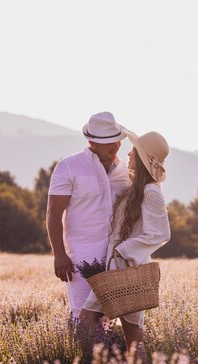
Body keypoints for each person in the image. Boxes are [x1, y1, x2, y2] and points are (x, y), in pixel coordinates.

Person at [79, 130, 171, 352]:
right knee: (119, 327)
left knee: (111, 324)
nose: (129, 153)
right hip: (118, 267)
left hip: (128, 267)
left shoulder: (151, 192)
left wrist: (123, 250)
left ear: (141, 158)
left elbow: (160, 233)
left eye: (134, 150)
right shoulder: (135, 189)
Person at [47, 112, 133, 318]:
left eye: (118, 141)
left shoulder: (126, 172)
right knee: (82, 315)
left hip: (117, 256)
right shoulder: (68, 166)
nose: (116, 146)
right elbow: (53, 213)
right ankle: (83, 351)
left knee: (113, 315)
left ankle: (109, 351)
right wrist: (59, 254)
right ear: (91, 141)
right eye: (109, 142)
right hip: (81, 256)